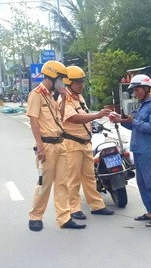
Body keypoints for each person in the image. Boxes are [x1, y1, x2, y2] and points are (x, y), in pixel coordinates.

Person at [27, 60, 85, 231]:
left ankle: (64, 217)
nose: (63, 82)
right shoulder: (36, 94)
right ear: (52, 76)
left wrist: (64, 100)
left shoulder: (53, 96)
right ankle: (35, 216)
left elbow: (58, 119)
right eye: (61, 78)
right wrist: (40, 146)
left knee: (62, 183)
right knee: (44, 183)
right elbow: (34, 120)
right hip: (46, 145)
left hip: (60, 144)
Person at [109, 74, 151, 227]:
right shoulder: (142, 106)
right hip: (139, 149)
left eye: (138, 89)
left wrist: (133, 121)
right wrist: (121, 121)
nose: (135, 93)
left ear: (147, 89)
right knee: (143, 183)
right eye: (134, 90)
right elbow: (134, 125)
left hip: (148, 150)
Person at [60, 65, 115, 220]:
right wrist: (96, 116)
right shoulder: (65, 99)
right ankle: (73, 208)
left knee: (90, 177)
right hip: (72, 144)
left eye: (82, 82)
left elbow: (84, 114)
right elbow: (72, 118)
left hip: (85, 142)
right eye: (78, 82)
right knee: (73, 178)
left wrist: (95, 118)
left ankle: (97, 206)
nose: (81, 85)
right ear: (69, 82)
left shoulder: (79, 97)